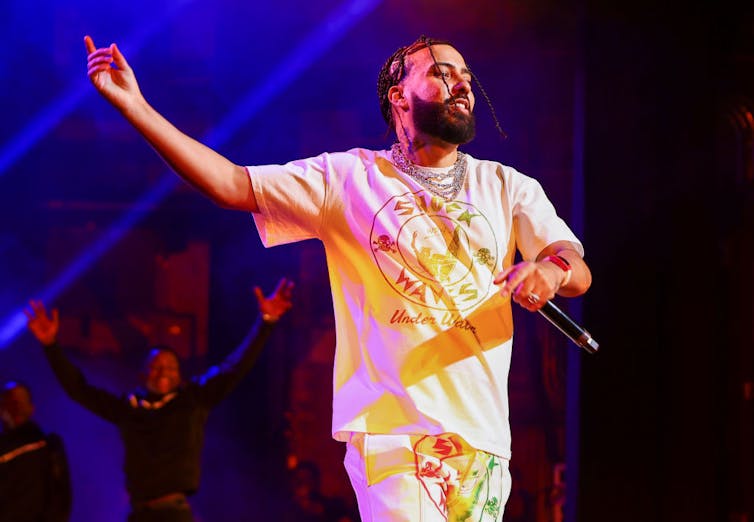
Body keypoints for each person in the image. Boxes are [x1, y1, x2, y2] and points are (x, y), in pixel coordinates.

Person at [83, 34, 592, 521]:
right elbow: (231, 183)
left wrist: (550, 270)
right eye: (442, 73)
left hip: (482, 441)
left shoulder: (506, 186)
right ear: (399, 96)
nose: (462, 84)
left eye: (466, 77)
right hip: (396, 435)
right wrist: (137, 109)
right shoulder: (349, 179)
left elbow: (573, 263)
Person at [25, 278, 294, 522]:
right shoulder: (128, 409)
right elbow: (79, 389)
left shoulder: (193, 400)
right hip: (139, 513)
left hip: (174, 513)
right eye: (156, 367)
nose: (163, 372)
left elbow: (235, 366)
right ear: (143, 375)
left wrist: (265, 323)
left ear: (179, 376)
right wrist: (51, 346)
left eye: (170, 367)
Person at [0, 380, 72, 522]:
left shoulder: (48, 445)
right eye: (10, 402)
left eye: (20, 401)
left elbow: (61, 497)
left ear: (31, 408)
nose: (16, 407)